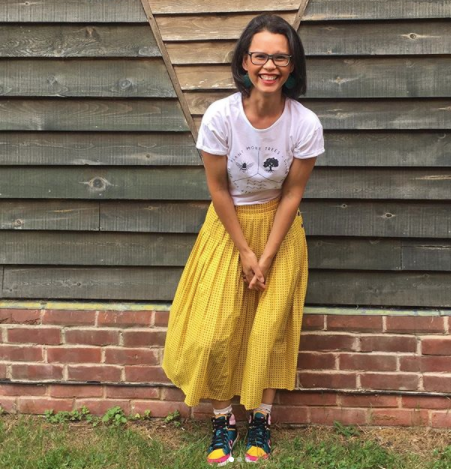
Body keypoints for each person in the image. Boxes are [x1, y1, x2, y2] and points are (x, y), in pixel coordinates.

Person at [162, 13, 324, 465]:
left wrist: (267, 256)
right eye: (260, 55)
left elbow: (292, 192)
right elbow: (218, 190)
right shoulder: (221, 115)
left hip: (280, 230)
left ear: (292, 66)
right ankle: (222, 420)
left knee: (266, 332)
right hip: (227, 226)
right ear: (244, 61)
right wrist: (244, 251)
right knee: (214, 333)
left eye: (279, 57)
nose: (269, 65)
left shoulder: (304, 123)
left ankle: (260, 421)